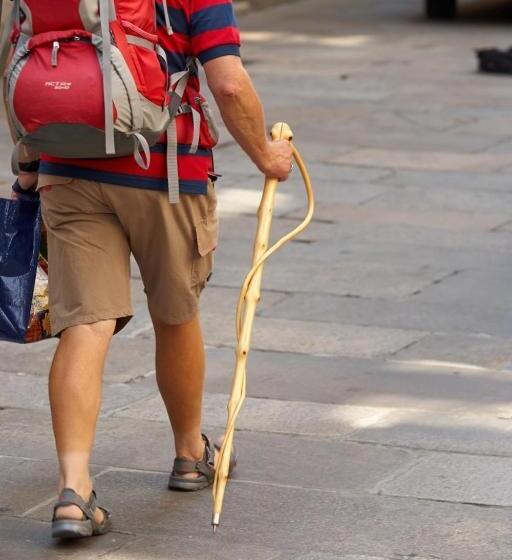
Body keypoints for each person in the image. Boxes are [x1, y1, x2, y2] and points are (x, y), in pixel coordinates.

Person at [14, 0, 292, 539]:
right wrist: (266, 155)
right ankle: (190, 453)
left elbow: (25, 68)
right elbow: (228, 83)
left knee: (84, 323)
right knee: (175, 312)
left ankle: (74, 491)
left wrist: (27, 168)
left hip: (67, 167)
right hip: (164, 170)